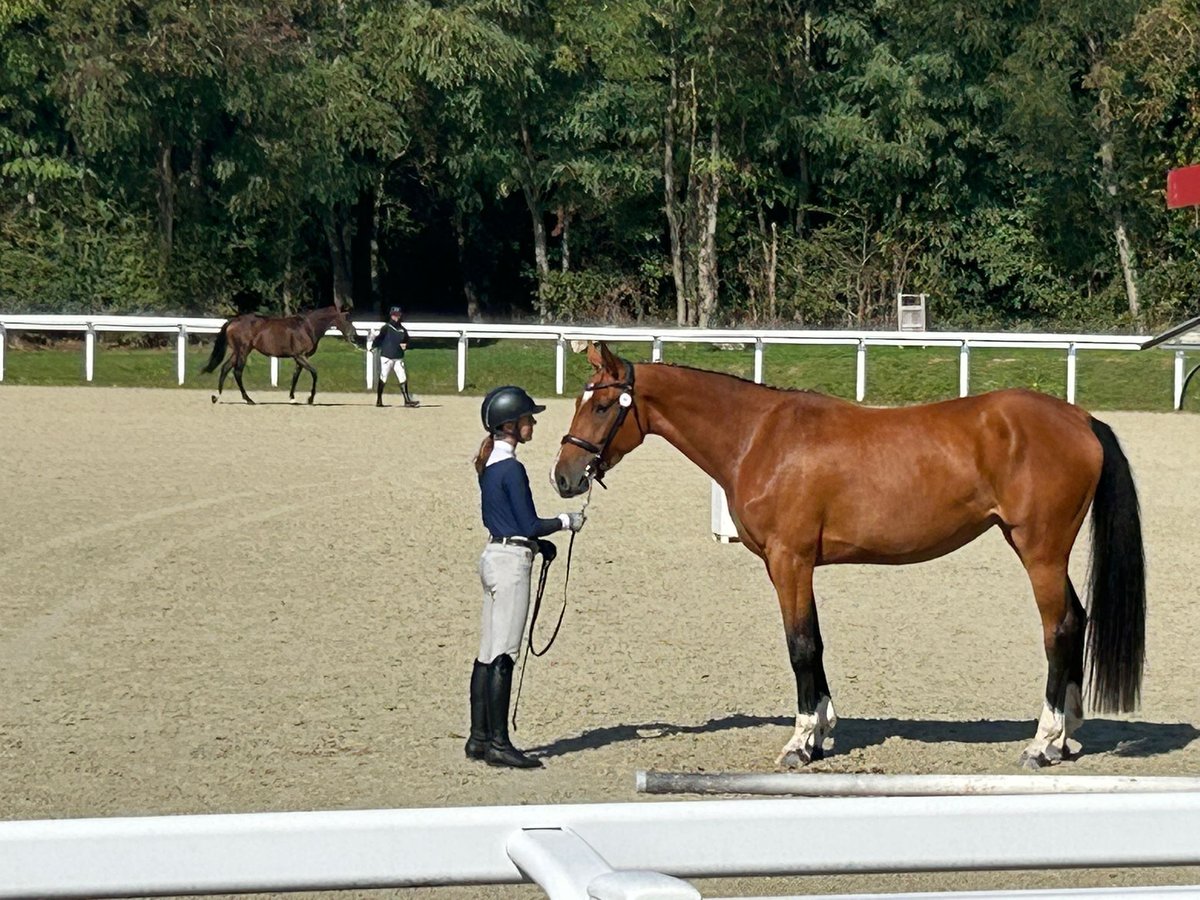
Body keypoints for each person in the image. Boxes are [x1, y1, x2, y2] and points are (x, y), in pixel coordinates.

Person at [466, 385, 586, 769]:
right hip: (510, 566)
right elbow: (529, 523)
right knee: (505, 653)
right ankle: (499, 743)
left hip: (494, 555)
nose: (532, 423)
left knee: (487, 652)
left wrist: (537, 545)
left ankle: (479, 737)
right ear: (510, 425)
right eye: (527, 419)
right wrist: (566, 521)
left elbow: (513, 523)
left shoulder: (489, 466)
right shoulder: (512, 469)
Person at [371, 306, 419, 408]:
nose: (396, 317)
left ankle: (407, 400)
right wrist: (373, 346)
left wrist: (406, 345)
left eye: (398, 315)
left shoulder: (403, 330)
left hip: (398, 356)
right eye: (394, 315)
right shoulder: (386, 328)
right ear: (391, 315)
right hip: (387, 356)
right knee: (383, 377)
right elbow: (379, 339)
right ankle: (379, 400)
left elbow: (407, 341)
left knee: (402, 377)